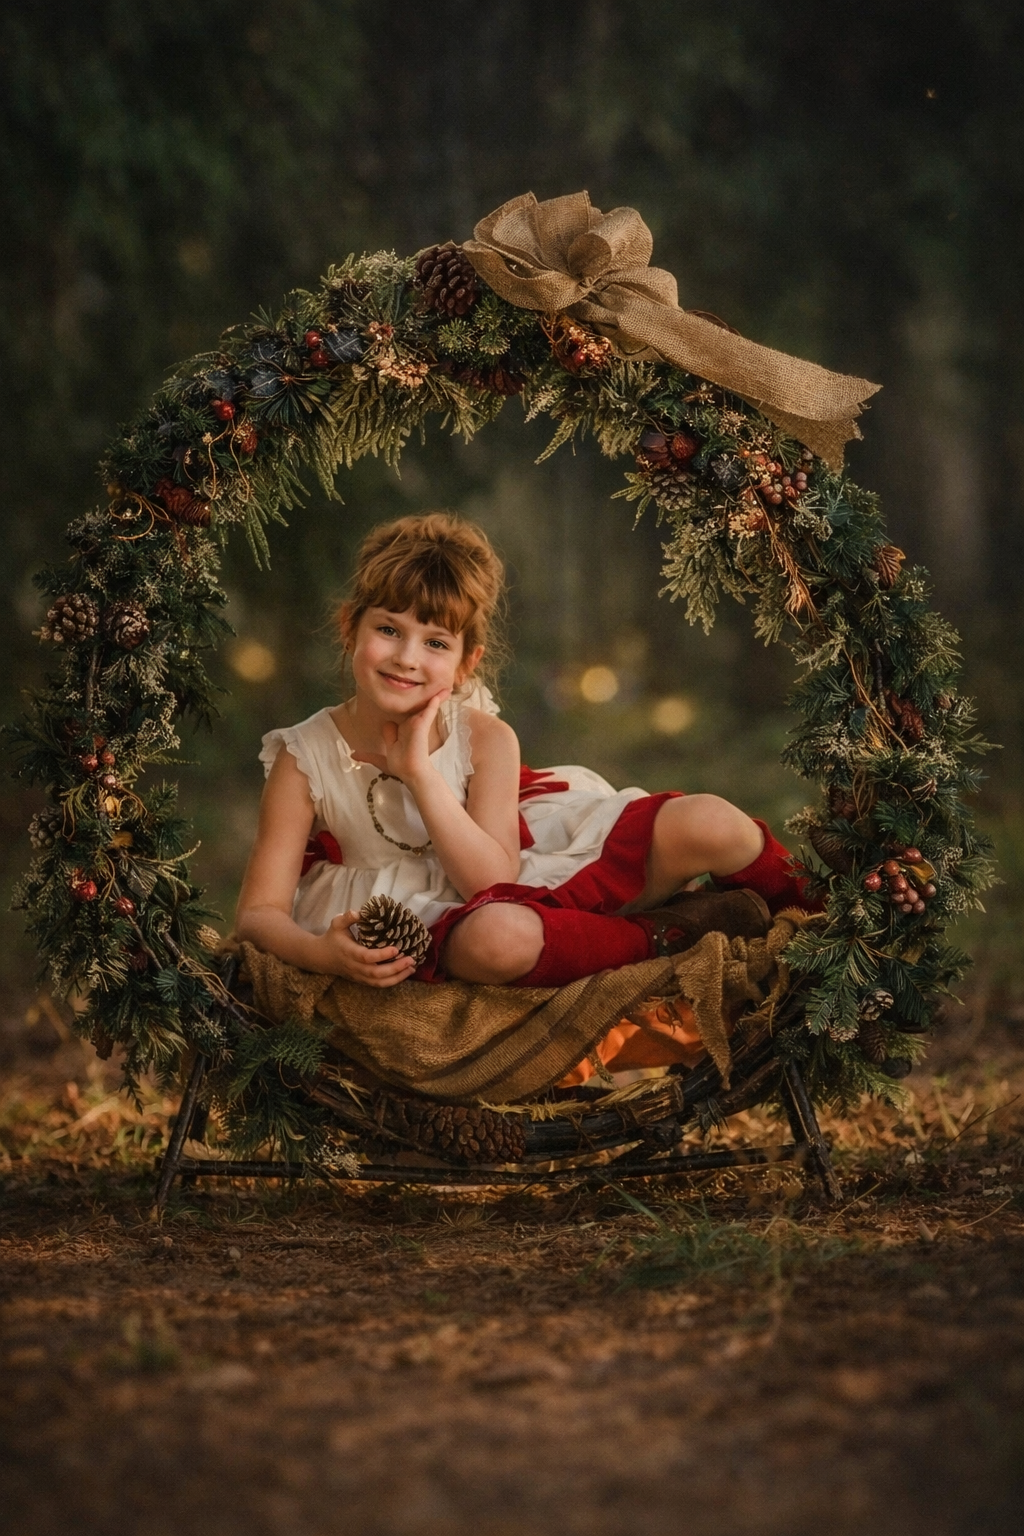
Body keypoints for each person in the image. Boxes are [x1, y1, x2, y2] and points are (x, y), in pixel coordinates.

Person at [235, 513, 814, 1083]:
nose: (407, 657)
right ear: (349, 628)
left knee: (710, 821)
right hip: (426, 914)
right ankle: (671, 935)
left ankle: (821, 936)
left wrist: (419, 773)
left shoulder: (485, 737)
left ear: (466, 664)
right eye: (388, 629)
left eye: (435, 641)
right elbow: (258, 914)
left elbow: (493, 875)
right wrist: (324, 957)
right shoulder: (302, 755)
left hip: (509, 861)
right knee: (499, 940)